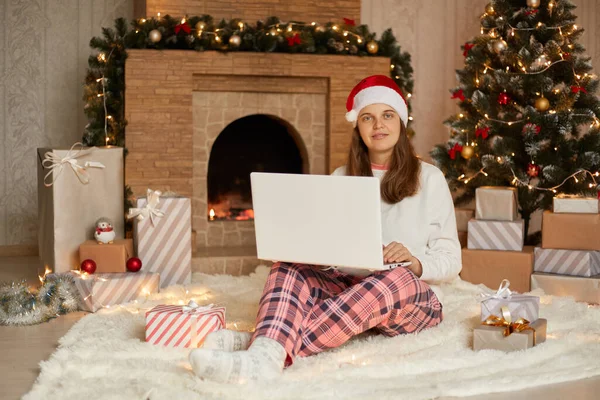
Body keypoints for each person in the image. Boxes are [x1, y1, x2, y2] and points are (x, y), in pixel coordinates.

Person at [189, 75, 462, 384]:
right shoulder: (341, 176)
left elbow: (452, 259)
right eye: (367, 118)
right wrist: (313, 253)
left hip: (412, 297)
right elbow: (331, 249)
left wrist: (415, 262)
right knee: (287, 268)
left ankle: (262, 343)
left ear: (400, 121)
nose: (378, 125)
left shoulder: (430, 179)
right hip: (350, 290)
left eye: (387, 115)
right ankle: (262, 359)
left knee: (394, 277)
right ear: (357, 127)